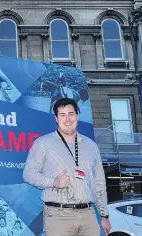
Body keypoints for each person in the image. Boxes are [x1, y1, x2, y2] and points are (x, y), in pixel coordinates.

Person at [23, 98, 111, 236]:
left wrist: (104, 215)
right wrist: (53, 182)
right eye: (62, 115)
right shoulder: (43, 143)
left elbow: (99, 182)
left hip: (88, 215)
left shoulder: (91, 146)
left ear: (77, 115)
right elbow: (28, 174)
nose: (67, 119)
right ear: (56, 119)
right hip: (58, 216)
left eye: (71, 114)